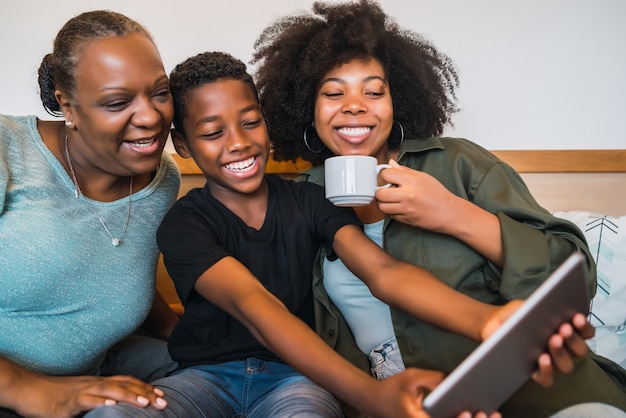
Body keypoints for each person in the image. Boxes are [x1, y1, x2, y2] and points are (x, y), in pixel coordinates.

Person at [251, 1, 626, 417]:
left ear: (398, 102)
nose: (354, 104)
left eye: (374, 91)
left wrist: (453, 214)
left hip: (526, 377)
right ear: (308, 108)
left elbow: (573, 278)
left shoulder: (459, 164)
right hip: (407, 401)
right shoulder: (297, 201)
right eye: (333, 92)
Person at [0, 10, 182, 417]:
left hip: (91, 375)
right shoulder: (7, 149)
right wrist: (29, 389)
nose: (152, 117)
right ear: (68, 105)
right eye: (118, 102)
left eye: (160, 92)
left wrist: (183, 337)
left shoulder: (161, 179)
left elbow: (113, 269)